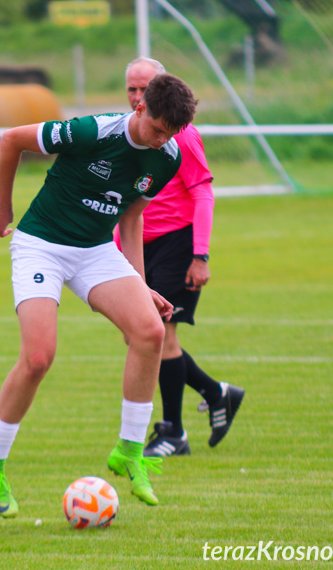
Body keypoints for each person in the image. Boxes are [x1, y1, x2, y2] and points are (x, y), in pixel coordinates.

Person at [0, 74, 197, 512]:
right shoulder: (91, 131)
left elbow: (131, 217)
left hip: (96, 251)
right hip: (41, 245)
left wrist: (139, 283)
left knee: (151, 332)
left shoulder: (168, 156)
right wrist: (4, 204)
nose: (162, 140)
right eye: (157, 129)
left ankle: (129, 452)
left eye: (171, 134)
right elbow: (11, 139)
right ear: (139, 109)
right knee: (39, 357)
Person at [118, 57, 245, 458]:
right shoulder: (132, 131)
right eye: (132, 90)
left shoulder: (179, 133)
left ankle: (173, 432)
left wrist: (200, 255)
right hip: (138, 248)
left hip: (177, 243)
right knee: (136, 335)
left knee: (161, 334)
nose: (138, 97)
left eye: (145, 89)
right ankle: (215, 392)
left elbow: (203, 192)